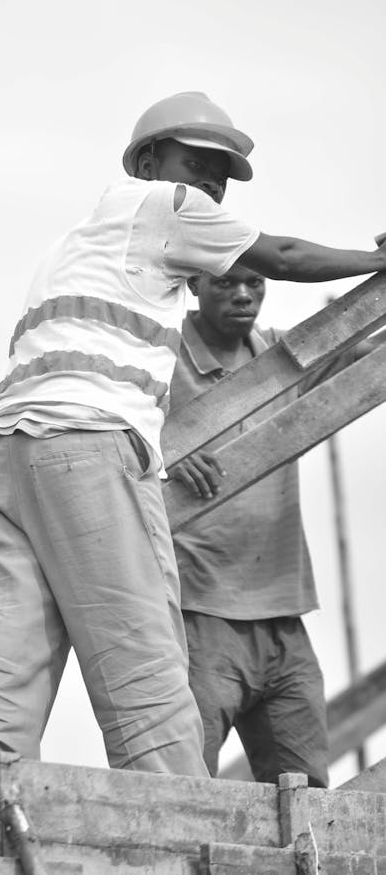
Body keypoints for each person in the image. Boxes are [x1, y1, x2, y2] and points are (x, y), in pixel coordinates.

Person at [0, 90, 386, 776]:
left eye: (222, 172)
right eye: (198, 162)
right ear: (149, 161)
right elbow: (286, 254)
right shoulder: (164, 208)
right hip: (87, 451)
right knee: (147, 673)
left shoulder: (78, 244)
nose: (211, 184)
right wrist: (375, 259)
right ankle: (177, 839)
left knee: (2, 683)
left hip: (7, 457)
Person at [164, 264, 384, 787]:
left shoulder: (282, 358)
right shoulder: (158, 361)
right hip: (197, 613)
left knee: (306, 794)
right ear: (194, 284)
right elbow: (104, 428)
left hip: (283, 616)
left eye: (256, 284)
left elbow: (373, 355)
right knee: (185, 789)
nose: (243, 295)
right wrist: (162, 449)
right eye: (225, 282)